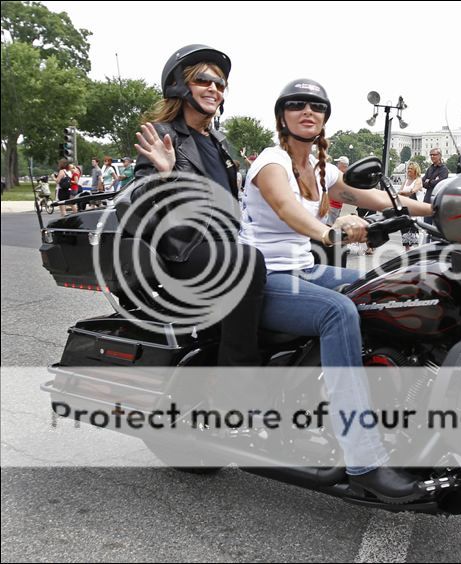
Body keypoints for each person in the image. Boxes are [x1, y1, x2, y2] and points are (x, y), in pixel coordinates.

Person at [238, 78, 433, 501]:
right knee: (337, 311)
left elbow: (380, 198)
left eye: (317, 106)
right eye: (297, 105)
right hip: (263, 278)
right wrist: (328, 233)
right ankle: (362, 457)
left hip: (304, 270)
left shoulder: (322, 168)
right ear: (282, 116)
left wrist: (441, 209)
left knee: (383, 288)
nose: (308, 111)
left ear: (325, 117)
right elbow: (287, 209)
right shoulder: (271, 162)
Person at [131, 44, 266, 366]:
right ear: (180, 86)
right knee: (248, 261)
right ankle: (239, 378)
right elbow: (138, 200)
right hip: (184, 248)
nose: (213, 89)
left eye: (219, 85)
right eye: (203, 81)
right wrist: (163, 176)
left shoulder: (219, 141)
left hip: (223, 244)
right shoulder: (164, 135)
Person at [398, 161, 423, 250]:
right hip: (405, 208)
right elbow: (400, 192)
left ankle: (414, 250)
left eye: (411, 169)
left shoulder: (418, 180)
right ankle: (407, 249)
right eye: (408, 168)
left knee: (412, 230)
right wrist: (404, 193)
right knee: (404, 230)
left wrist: (403, 192)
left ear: (416, 170)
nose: (409, 170)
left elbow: (413, 191)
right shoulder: (406, 180)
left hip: (414, 209)